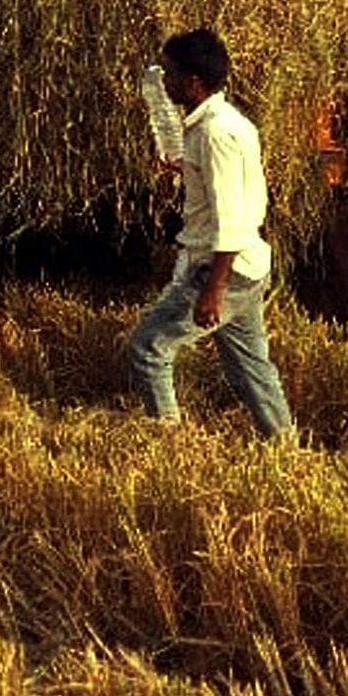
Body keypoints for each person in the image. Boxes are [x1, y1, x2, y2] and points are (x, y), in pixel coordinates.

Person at [124, 27, 295, 438]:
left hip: (226, 271)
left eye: (170, 74)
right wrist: (186, 169)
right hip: (248, 266)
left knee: (148, 348)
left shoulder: (216, 133)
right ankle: (285, 447)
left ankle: (170, 446)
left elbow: (230, 217)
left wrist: (213, 289)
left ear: (193, 81)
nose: (164, 82)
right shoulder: (222, 122)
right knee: (253, 369)